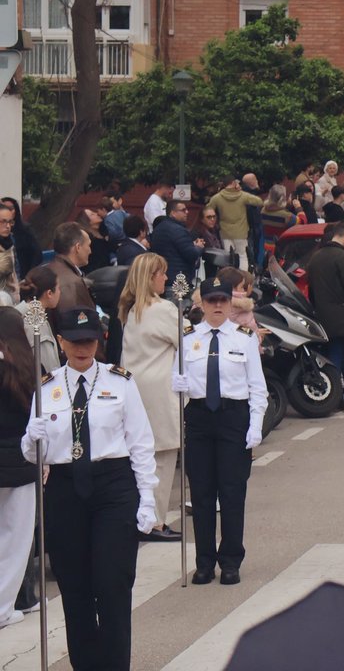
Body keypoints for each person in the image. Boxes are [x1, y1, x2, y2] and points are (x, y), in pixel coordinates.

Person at [22, 307, 157, 667]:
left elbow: (141, 444)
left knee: (112, 584)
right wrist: (31, 438)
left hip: (113, 486)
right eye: (75, 341)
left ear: (99, 341)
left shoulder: (120, 382)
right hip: (65, 489)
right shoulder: (46, 387)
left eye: (89, 341)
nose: (82, 348)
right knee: (75, 587)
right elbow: (35, 455)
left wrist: (148, 498)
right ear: (60, 341)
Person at [169, 277, 267, 585]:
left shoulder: (244, 338)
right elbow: (177, 382)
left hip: (233, 417)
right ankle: (204, 561)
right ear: (202, 303)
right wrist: (178, 386)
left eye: (222, 300)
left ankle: (231, 560)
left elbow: (257, 387)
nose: (217, 306)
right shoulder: (188, 338)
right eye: (211, 300)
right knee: (201, 493)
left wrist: (255, 425)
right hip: (199, 417)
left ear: (229, 302)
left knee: (232, 492)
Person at [118, 253, 183, 542]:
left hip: (135, 388)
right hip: (160, 390)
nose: (166, 278)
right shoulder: (163, 309)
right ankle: (155, 521)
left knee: (142, 457)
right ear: (150, 277)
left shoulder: (131, 309)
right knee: (163, 457)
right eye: (162, 273)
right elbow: (186, 340)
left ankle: (142, 517)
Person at [305, 221, 344, 412]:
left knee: (334, 357)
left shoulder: (315, 257)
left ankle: (335, 396)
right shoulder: (343, 257)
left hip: (326, 318)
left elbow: (312, 292)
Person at [0, 309, 37, 629]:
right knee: (17, 539)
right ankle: (4, 605)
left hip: (16, 458)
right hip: (21, 460)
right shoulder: (28, 367)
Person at [210, 177, 264, 271]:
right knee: (242, 255)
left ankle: (229, 275)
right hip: (241, 232)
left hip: (225, 232)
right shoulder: (243, 195)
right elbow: (259, 202)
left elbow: (208, 208)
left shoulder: (217, 197)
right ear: (234, 183)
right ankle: (243, 276)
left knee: (228, 257)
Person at [17, 265, 62, 374]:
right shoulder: (37, 326)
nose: (60, 292)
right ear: (49, 293)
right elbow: (50, 371)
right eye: (59, 288)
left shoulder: (21, 315)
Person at [149, 200, 205, 286]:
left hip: (162, 276)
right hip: (179, 278)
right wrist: (198, 247)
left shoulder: (158, 228)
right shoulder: (178, 230)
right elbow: (192, 255)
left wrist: (191, 244)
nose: (187, 212)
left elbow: (173, 248)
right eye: (183, 210)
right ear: (173, 213)